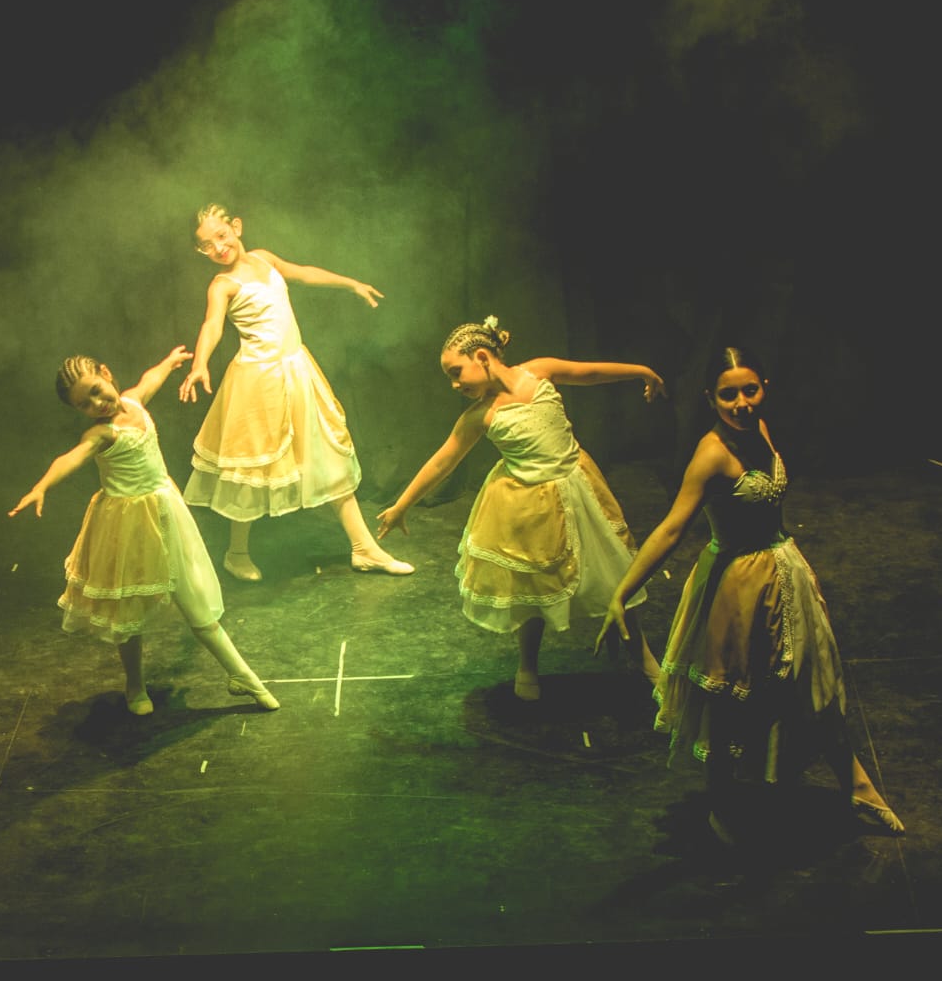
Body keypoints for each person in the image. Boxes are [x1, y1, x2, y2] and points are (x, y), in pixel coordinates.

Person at [598, 347, 904, 842]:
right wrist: (622, 592)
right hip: (737, 585)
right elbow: (673, 528)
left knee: (813, 680)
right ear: (710, 399)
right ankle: (720, 806)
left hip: (785, 572)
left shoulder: (758, 429)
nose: (741, 403)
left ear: (764, 388)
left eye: (750, 390)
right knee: (729, 700)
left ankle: (858, 785)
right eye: (728, 395)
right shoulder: (712, 454)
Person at [377, 317, 664, 701]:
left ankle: (643, 657)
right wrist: (402, 505)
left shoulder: (540, 372)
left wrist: (640, 371)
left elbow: (590, 372)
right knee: (532, 586)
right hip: (530, 504)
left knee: (613, 572)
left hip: (578, 487)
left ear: (482, 357)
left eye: (456, 372)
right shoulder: (480, 415)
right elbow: (443, 461)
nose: (454, 385)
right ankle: (527, 664)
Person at [11, 346, 279, 715]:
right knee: (129, 609)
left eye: (96, 391)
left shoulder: (133, 402)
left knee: (195, 597)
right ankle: (135, 685)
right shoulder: (102, 434)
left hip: (166, 512)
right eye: (85, 404)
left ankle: (242, 675)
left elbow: (148, 380)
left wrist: (169, 363)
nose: (97, 404)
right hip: (129, 527)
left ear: (106, 373)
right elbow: (70, 458)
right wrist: (41, 486)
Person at [178, 203, 413, 582]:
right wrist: (199, 364)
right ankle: (236, 553)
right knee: (250, 466)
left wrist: (350, 283)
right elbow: (211, 325)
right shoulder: (222, 285)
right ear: (200, 250)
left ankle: (364, 548)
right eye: (207, 245)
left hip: (296, 371)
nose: (218, 247)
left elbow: (303, 273)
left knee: (327, 453)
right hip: (258, 379)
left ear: (236, 227)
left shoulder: (264, 258)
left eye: (221, 235)